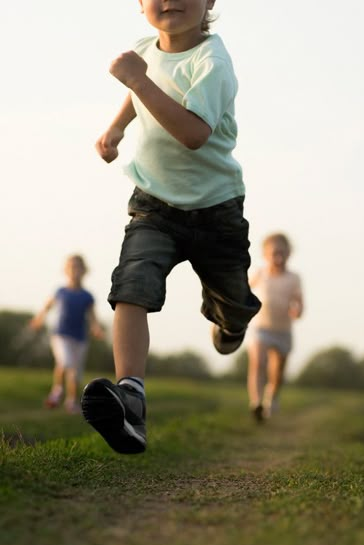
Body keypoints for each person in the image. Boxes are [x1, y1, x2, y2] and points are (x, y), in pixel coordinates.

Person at [81, 0, 260, 454]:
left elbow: (194, 134)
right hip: (154, 205)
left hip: (216, 212)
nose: (169, 0)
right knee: (131, 285)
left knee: (234, 303)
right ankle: (131, 397)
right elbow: (138, 92)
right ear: (140, 5)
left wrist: (137, 78)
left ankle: (230, 321)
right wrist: (117, 128)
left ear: (210, 3)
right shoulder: (146, 50)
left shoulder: (212, 61)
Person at [30, 255, 104, 413]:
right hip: (61, 335)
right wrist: (38, 319)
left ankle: (71, 402)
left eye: (77, 267)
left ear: (84, 271)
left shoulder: (87, 296)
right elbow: (47, 307)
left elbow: (92, 317)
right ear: (65, 270)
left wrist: (96, 328)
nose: (74, 270)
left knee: (75, 373)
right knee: (65, 362)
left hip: (80, 338)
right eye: (71, 267)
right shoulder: (60, 291)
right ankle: (56, 392)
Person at [247, 233, 303, 422]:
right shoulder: (260, 274)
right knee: (258, 363)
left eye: (282, 254)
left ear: (289, 254)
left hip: (283, 331)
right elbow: (244, 291)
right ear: (265, 254)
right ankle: (256, 403)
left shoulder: (294, 278)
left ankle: (272, 396)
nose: (278, 258)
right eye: (274, 253)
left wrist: (298, 310)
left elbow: (299, 302)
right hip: (261, 328)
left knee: (277, 374)